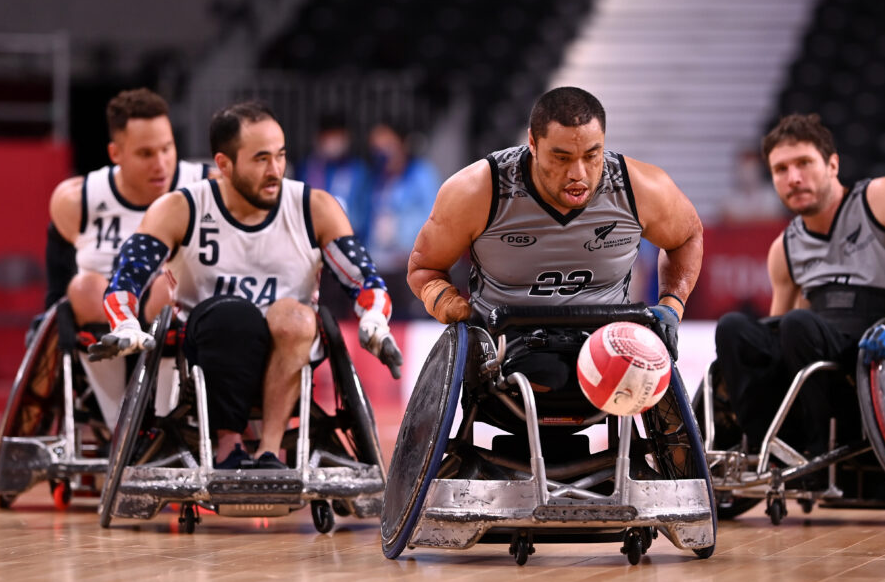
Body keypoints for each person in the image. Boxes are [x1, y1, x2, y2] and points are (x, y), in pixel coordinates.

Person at [89, 100, 403, 469]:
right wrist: (125, 322)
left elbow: (365, 279)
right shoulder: (180, 208)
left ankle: (270, 450)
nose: (275, 170)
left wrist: (374, 320)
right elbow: (126, 277)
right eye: (261, 159)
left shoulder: (314, 207)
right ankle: (229, 445)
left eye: (280, 155)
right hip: (209, 344)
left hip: (289, 345)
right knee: (235, 316)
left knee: (296, 317)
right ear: (224, 164)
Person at [406, 86, 703, 392]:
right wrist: (446, 302)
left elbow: (687, 236)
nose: (578, 173)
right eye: (562, 158)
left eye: (592, 155)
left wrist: (672, 305)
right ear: (533, 144)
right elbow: (424, 268)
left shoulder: (639, 188)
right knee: (548, 376)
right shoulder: (477, 190)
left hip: (608, 342)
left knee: (651, 377)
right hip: (507, 345)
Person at [713, 113, 885, 455]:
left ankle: (820, 450)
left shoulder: (880, 197)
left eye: (804, 163)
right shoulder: (784, 248)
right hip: (816, 342)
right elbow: (775, 334)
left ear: (832, 165)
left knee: (799, 324)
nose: (793, 178)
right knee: (733, 328)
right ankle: (767, 450)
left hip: (878, 345)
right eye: (781, 169)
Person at [39, 88, 213, 428]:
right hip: (104, 323)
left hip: (178, 324)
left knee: (170, 286)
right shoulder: (77, 199)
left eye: (167, 148)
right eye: (146, 153)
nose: (160, 164)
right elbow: (57, 278)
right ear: (115, 153)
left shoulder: (206, 186)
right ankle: (118, 422)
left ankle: (165, 422)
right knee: (84, 287)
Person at [366, 120, 440, 319]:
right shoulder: (378, 178)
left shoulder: (422, 174)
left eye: (387, 144)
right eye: (377, 148)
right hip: (383, 264)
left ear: (401, 144)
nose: (382, 152)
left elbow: (434, 217)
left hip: (412, 264)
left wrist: (412, 247)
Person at [295, 111, 370, 238]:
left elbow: (364, 215)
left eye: (338, 136)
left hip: (349, 239)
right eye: (329, 136)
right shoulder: (307, 169)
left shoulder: (358, 171)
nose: (333, 142)